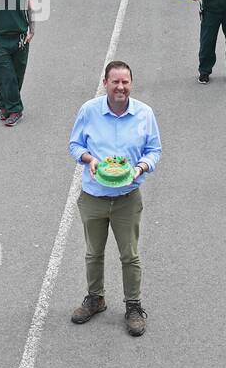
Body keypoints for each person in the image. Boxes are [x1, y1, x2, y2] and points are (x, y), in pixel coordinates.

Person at [68, 61, 162, 336]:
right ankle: (95, 298)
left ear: (131, 83)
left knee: (129, 255)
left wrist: (140, 167)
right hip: (94, 195)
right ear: (105, 83)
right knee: (93, 252)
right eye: (115, 81)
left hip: (127, 197)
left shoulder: (144, 114)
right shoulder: (89, 111)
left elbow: (154, 150)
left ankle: (133, 305)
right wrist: (90, 160)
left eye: (125, 82)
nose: (120, 87)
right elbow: (75, 145)